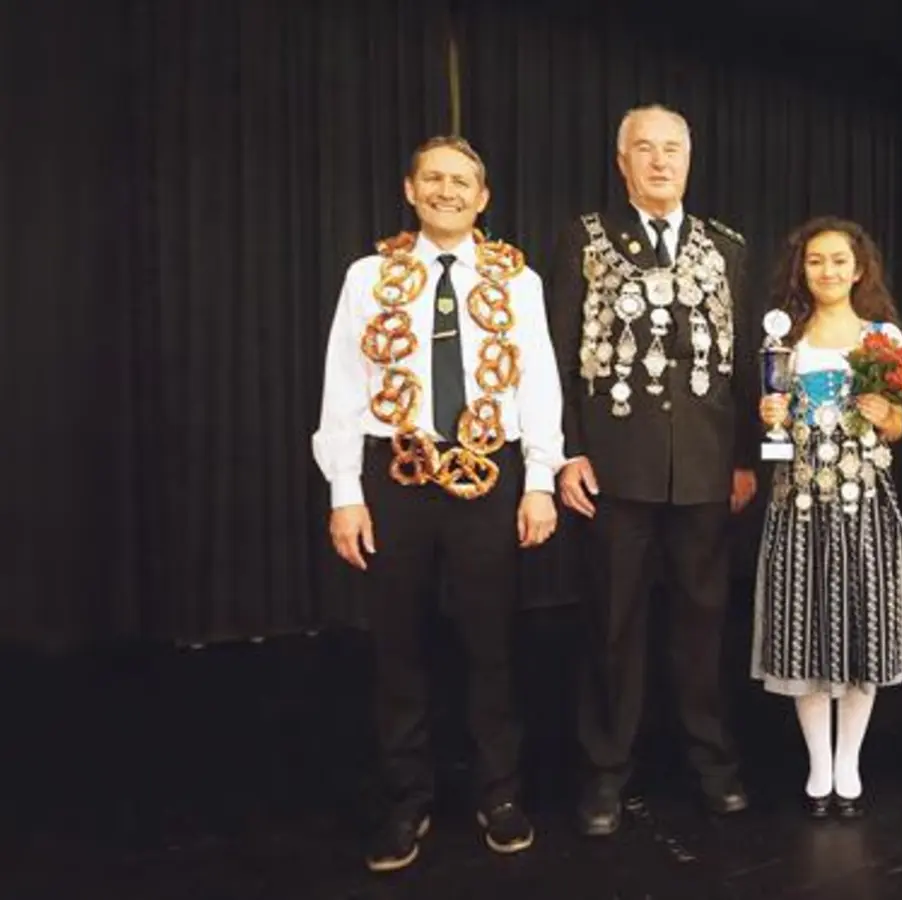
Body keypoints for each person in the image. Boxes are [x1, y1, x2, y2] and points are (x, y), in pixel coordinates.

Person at [311, 135, 562, 871]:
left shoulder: (518, 282)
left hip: (491, 470)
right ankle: (406, 799)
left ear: (483, 198)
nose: (448, 192)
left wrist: (541, 481)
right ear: (411, 189)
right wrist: (345, 493)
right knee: (399, 644)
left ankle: (500, 792)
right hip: (400, 473)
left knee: (493, 642)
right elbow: (342, 387)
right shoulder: (369, 277)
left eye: (463, 182)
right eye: (435, 179)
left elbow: (539, 384)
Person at [549, 104, 757, 836]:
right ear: (622, 161)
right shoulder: (585, 239)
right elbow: (558, 356)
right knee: (613, 624)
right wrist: (565, 451)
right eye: (646, 149)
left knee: (703, 623)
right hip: (615, 470)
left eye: (673, 149)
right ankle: (606, 772)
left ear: (690, 160)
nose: (661, 161)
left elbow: (735, 366)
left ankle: (710, 762)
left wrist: (740, 459)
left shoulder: (725, 246)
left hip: (703, 470)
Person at [751, 217, 902, 819]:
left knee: (860, 631)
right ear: (802, 269)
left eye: (839, 260)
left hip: (862, 503)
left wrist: (884, 413)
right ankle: (818, 767)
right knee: (804, 633)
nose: (828, 271)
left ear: (860, 267)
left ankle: (850, 765)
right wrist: (768, 410)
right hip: (797, 504)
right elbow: (770, 425)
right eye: (816, 261)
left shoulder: (881, 337)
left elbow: (898, 425)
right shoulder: (782, 339)